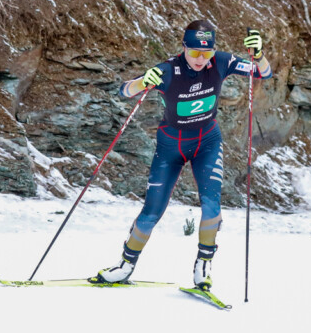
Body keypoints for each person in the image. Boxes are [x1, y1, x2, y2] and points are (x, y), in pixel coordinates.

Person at [94, 20, 272, 291]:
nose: (201, 59)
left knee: (211, 205)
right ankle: (125, 265)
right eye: (195, 52)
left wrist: (258, 55)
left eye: (207, 52)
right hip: (171, 147)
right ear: (184, 48)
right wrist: (143, 81)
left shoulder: (222, 62)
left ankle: (203, 266)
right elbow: (124, 90)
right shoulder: (168, 70)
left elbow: (263, 73)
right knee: (152, 211)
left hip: (207, 142)